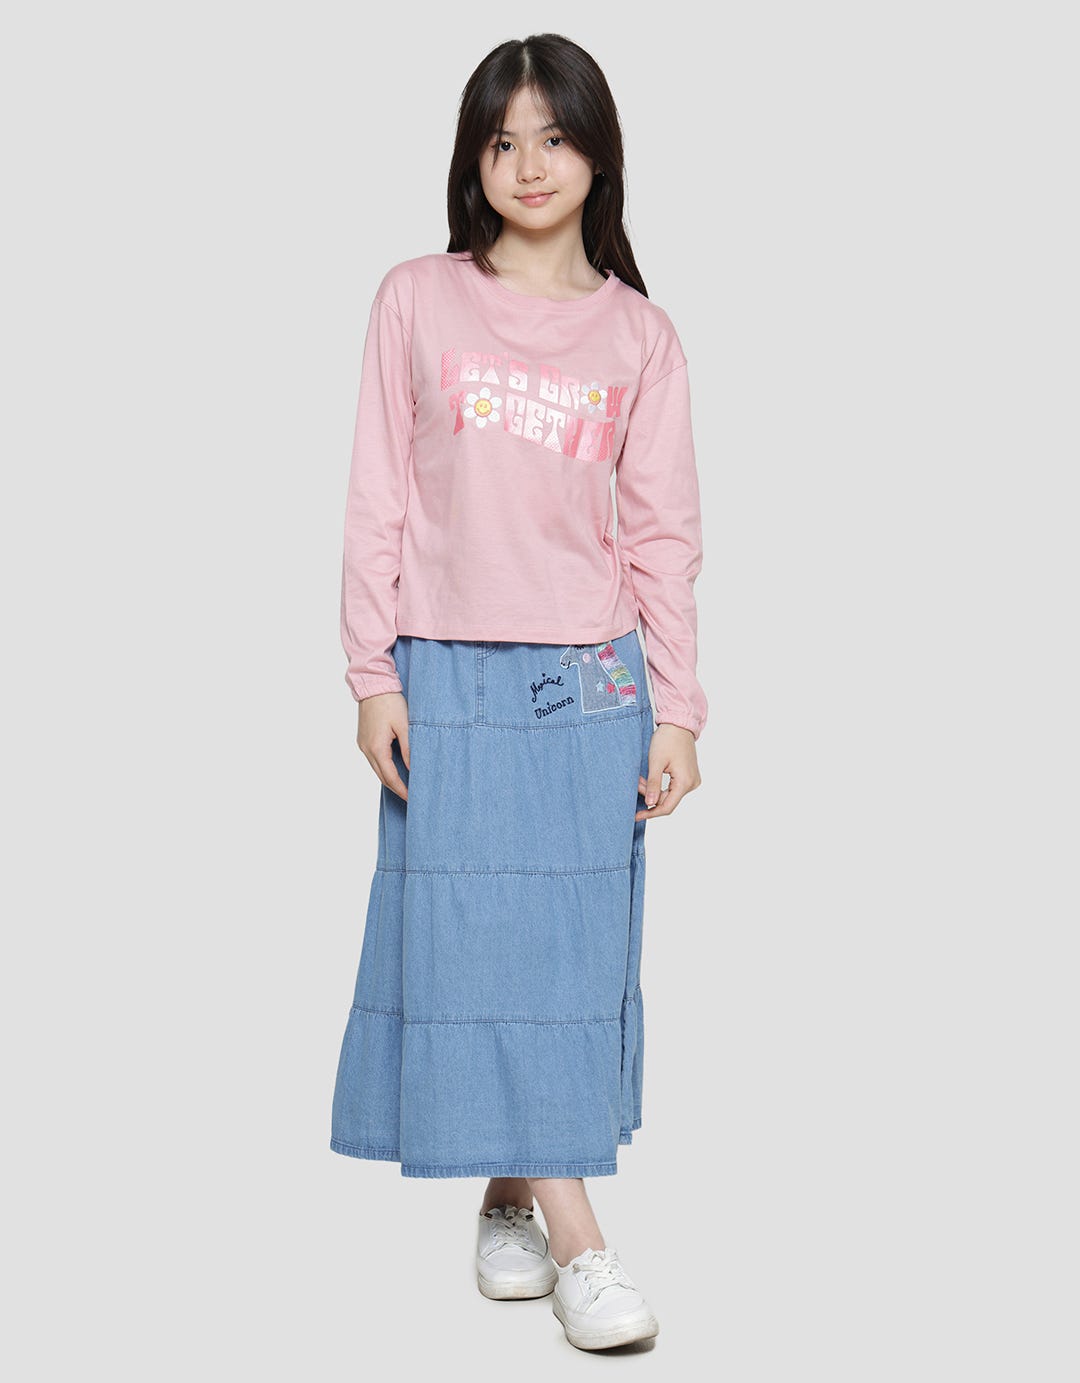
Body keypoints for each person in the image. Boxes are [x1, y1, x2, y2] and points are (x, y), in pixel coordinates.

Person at [329, 32, 707, 1352]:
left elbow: (662, 534)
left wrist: (680, 707)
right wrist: (371, 671)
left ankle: (511, 1202)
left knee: (566, 955)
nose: (529, 165)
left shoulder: (640, 336)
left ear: (597, 153)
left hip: (592, 680)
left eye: (554, 137)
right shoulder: (416, 301)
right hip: (447, 668)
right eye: (503, 141)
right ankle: (582, 1243)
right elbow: (378, 495)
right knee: (477, 941)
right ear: (471, 159)